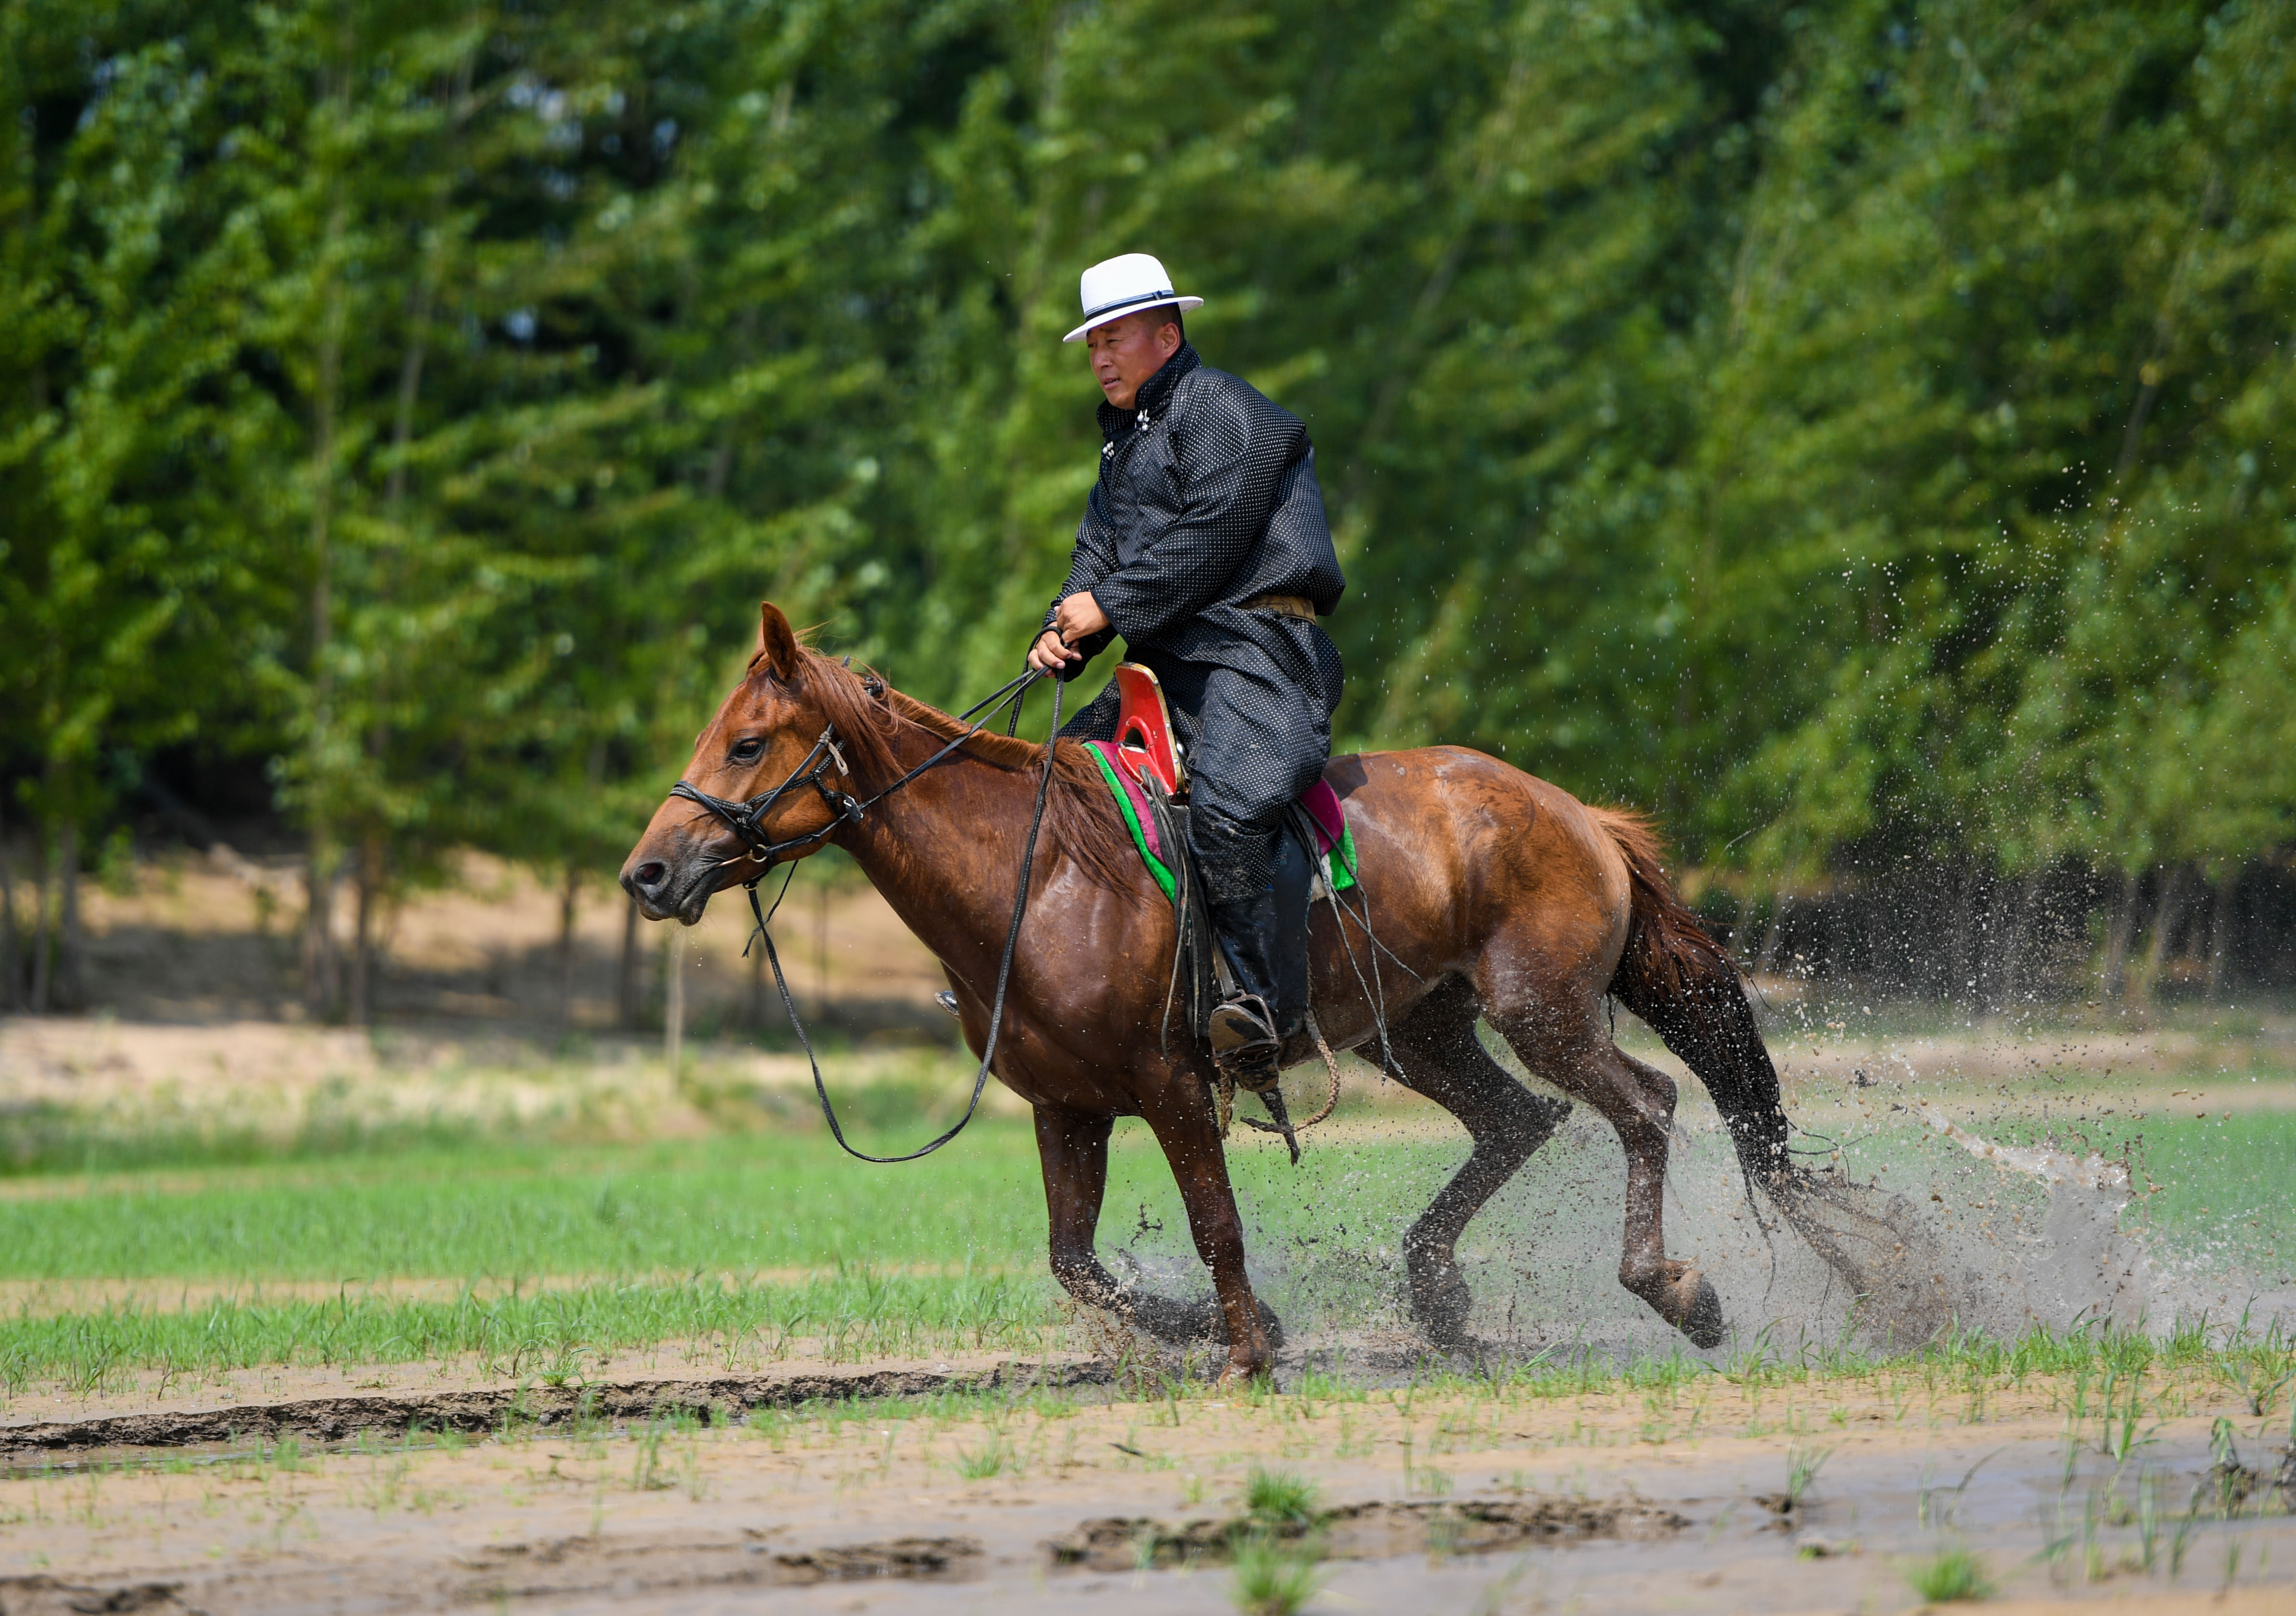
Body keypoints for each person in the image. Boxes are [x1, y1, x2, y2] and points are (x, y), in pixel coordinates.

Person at [1027, 252, 1345, 1091]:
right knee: (1046, 785)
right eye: (1091, 340)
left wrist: (1109, 609)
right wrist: (1063, 628)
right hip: (1170, 659)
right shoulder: (1120, 442)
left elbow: (1210, 537)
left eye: (1115, 335)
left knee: (1229, 813)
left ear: (1167, 335)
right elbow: (1095, 556)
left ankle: (1262, 1015)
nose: (1099, 354)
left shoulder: (1226, 410)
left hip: (1260, 648)